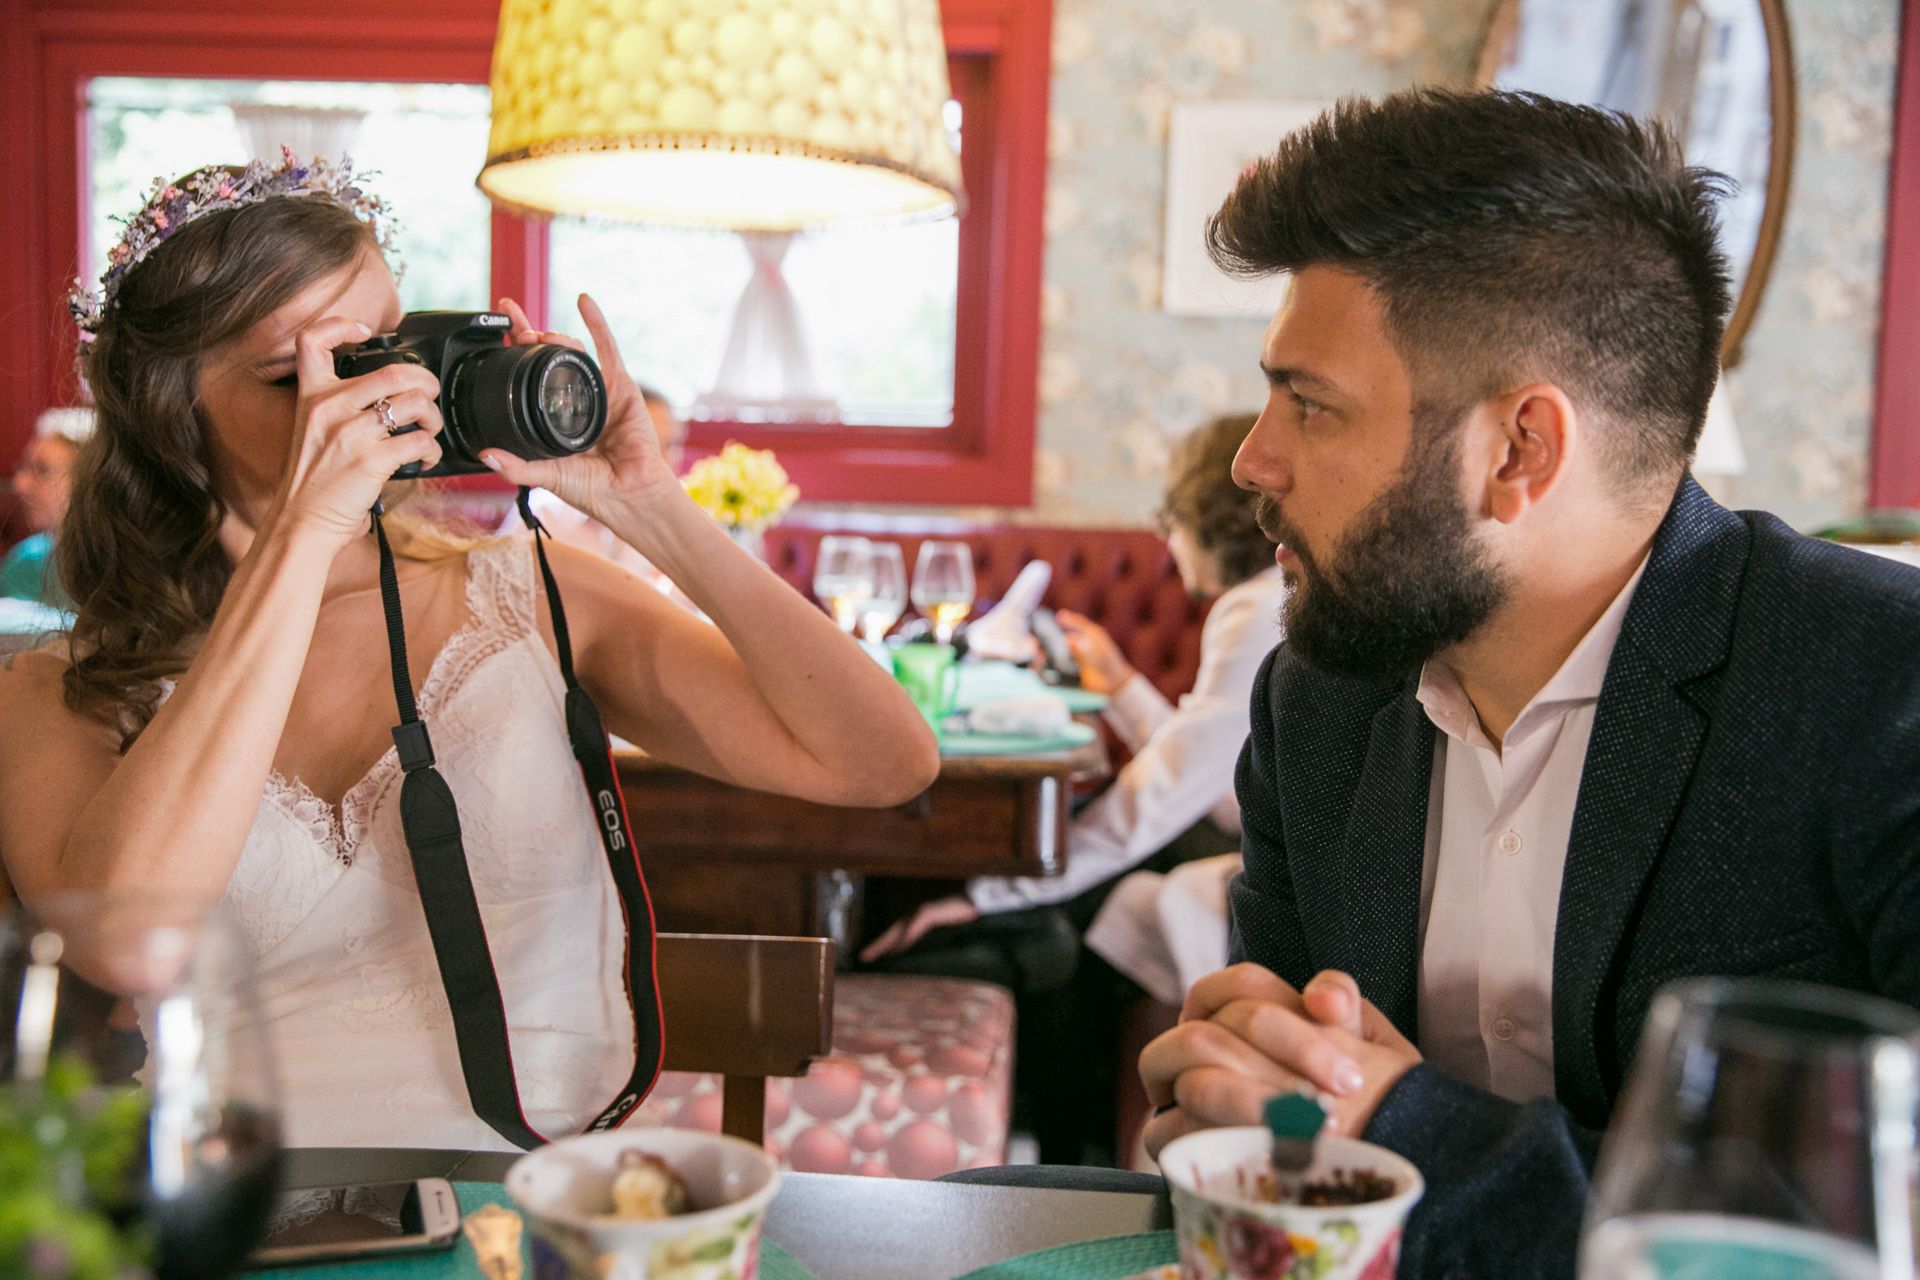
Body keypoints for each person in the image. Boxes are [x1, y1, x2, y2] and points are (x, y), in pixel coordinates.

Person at [0, 153, 939, 1151]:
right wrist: (302, 537)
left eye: (380, 353)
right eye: (298, 376)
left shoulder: (528, 597)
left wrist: (654, 510)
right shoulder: (63, 688)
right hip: (240, 1212)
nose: (364, 402)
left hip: (539, 1199)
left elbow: (884, 762)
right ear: (167, 407)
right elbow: (126, 944)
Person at [1135, 88, 1920, 1277]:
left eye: (1312, 403)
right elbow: (1298, 1154)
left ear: (1520, 451)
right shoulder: (1318, 698)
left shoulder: (1882, 688)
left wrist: (1410, 1135)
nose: (1255, 457)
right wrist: (1242, 1100)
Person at [861, 412, 1286, 1162]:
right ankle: (1067, 1143)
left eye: (1169, 518)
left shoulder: (1256, 609)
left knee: (1058, 912)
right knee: (1069, 907)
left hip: (1250, 865)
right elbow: (1212, 771)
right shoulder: (1269, 600)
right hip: (1231, 842)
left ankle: (1059, 1141)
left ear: (1206, 517)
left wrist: (996, 890)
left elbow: (1173, 793)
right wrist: (1120, 684)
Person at [2, 406, 94, 608]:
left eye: (42, 470)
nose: (20, 484)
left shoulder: (124, 568)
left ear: (91, 480)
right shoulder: (27, 560)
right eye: (23, 466)